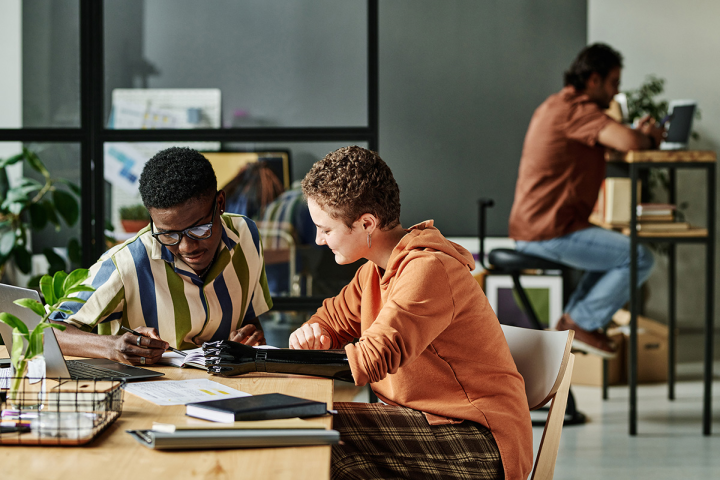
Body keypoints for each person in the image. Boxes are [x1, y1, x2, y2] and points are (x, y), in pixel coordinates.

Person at [289, 146, 532, 480]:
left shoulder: (429, 270)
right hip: (425, 423)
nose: (318, 239)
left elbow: (374, 356)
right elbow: (331, 318)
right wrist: (314, 330)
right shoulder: (373, 272)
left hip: (478, 440)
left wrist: (285, 363)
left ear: (366, 223)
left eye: (326, 229)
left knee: (322, 438)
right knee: (315, 429)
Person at [508, 43, 664, 358]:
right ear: (594, 80)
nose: (616, 93)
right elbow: (629, 141)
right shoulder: (577, 110)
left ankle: (572, 324)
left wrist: (632, 133)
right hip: (548, 230)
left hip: (541, 227)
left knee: (614, 256)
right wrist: (650, 137)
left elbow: (615, 137)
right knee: (638, 257)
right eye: (614, 83)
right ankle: (579, 323)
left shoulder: (558, 105)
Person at [50, 147, 272, 365]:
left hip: (226, 391)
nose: (186, 247)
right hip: (148, 396)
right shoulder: (127, 263)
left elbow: (249, 320)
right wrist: (113, 346)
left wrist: (250, 336)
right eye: (168, 234)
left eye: (198, 229)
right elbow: (44, 331)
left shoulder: (246, 236)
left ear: (220, 203)